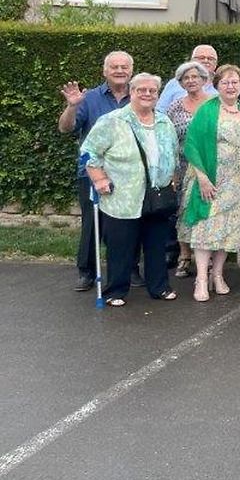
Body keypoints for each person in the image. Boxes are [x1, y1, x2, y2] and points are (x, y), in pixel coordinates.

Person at [80, 72, 179, 306]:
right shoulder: (112, 120)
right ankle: (116, 290)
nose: (147, 94)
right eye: (141, 90)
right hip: (122, 195)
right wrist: (99, 178)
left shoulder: (164, 122)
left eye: (152, 91)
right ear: (131, 92)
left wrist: (173, 178)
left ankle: (160, 287)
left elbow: (173, 153)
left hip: (157, 193)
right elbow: (89, 152)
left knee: (156, 244)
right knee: (121, 245)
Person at [181, 65, 240, 302]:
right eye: (225, 82)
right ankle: (201, 279)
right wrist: (202, 178)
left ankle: (218, 274)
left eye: (235, 82)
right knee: (206, 228)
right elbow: (192, 144)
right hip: (212, 180)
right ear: (216, 86)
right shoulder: (207, 110)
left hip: (237, 181)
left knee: (227, 229)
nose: (230, 86)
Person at [58, 50, 133, 291]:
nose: (119, 70)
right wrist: (72, 107)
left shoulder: (139, 95)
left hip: (129, 173)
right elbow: (66, 128)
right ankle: (87, 271)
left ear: (131, 70)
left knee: (128, 223)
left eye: (124, 67)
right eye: (114, 67)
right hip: (92, 171)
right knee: (92, 224)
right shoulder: (89, 98)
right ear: (104, 71)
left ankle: (129, 268)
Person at [165, 61, 212, 278]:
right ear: (181, 82)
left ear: (204, 79)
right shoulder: (174, 107)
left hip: (209, 165)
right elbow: (168, 139)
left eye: (195, 77)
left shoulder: (215, 103)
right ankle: (184, 255)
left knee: (207, 210)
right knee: (182, 210)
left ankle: (207, 256)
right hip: (183, 166)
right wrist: (173, 172)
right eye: (186, 78)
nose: (191, 81)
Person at [157, 45, 218, 112]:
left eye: (210, 59)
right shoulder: (174, 83)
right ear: (192, 61)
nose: (206, 61)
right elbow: (160, 111)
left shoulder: (223, 83)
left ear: (216, 64)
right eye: (201, 58)